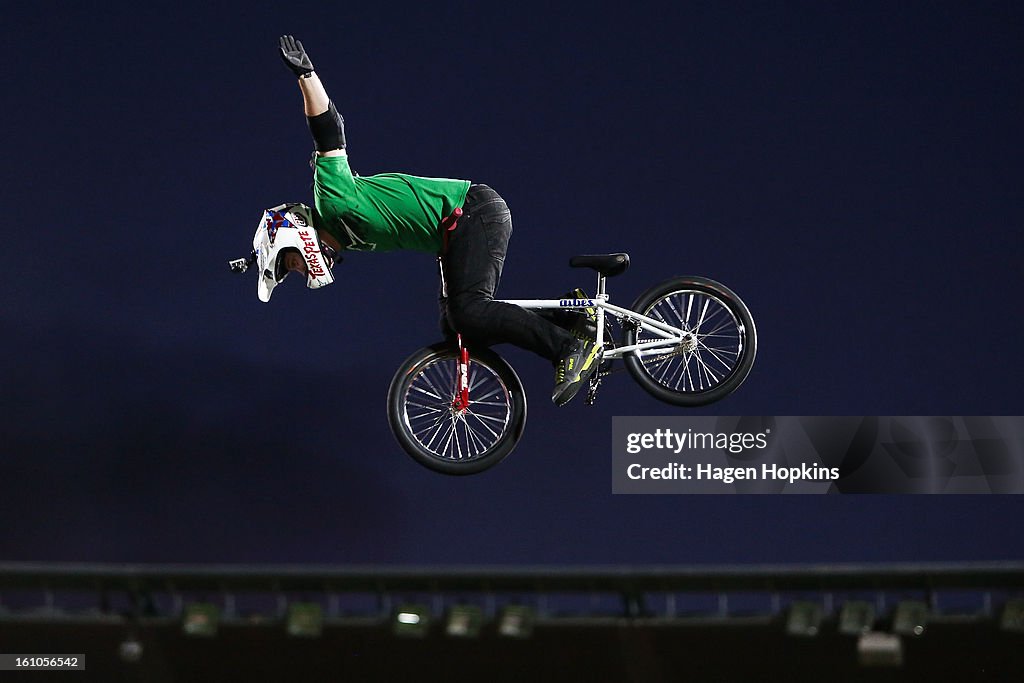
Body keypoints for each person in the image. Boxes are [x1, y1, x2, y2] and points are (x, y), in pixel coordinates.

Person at [250, 35, 600, 406]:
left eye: (292, 262)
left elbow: (329, 131)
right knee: (453, 327)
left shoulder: (331, 200)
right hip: (452, 236)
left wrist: (306, 74)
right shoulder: (346, 236)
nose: (304, 271)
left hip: (471, 213)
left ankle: (568, 349)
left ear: (294, 233)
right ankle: (573, 313)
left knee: (469, 312)